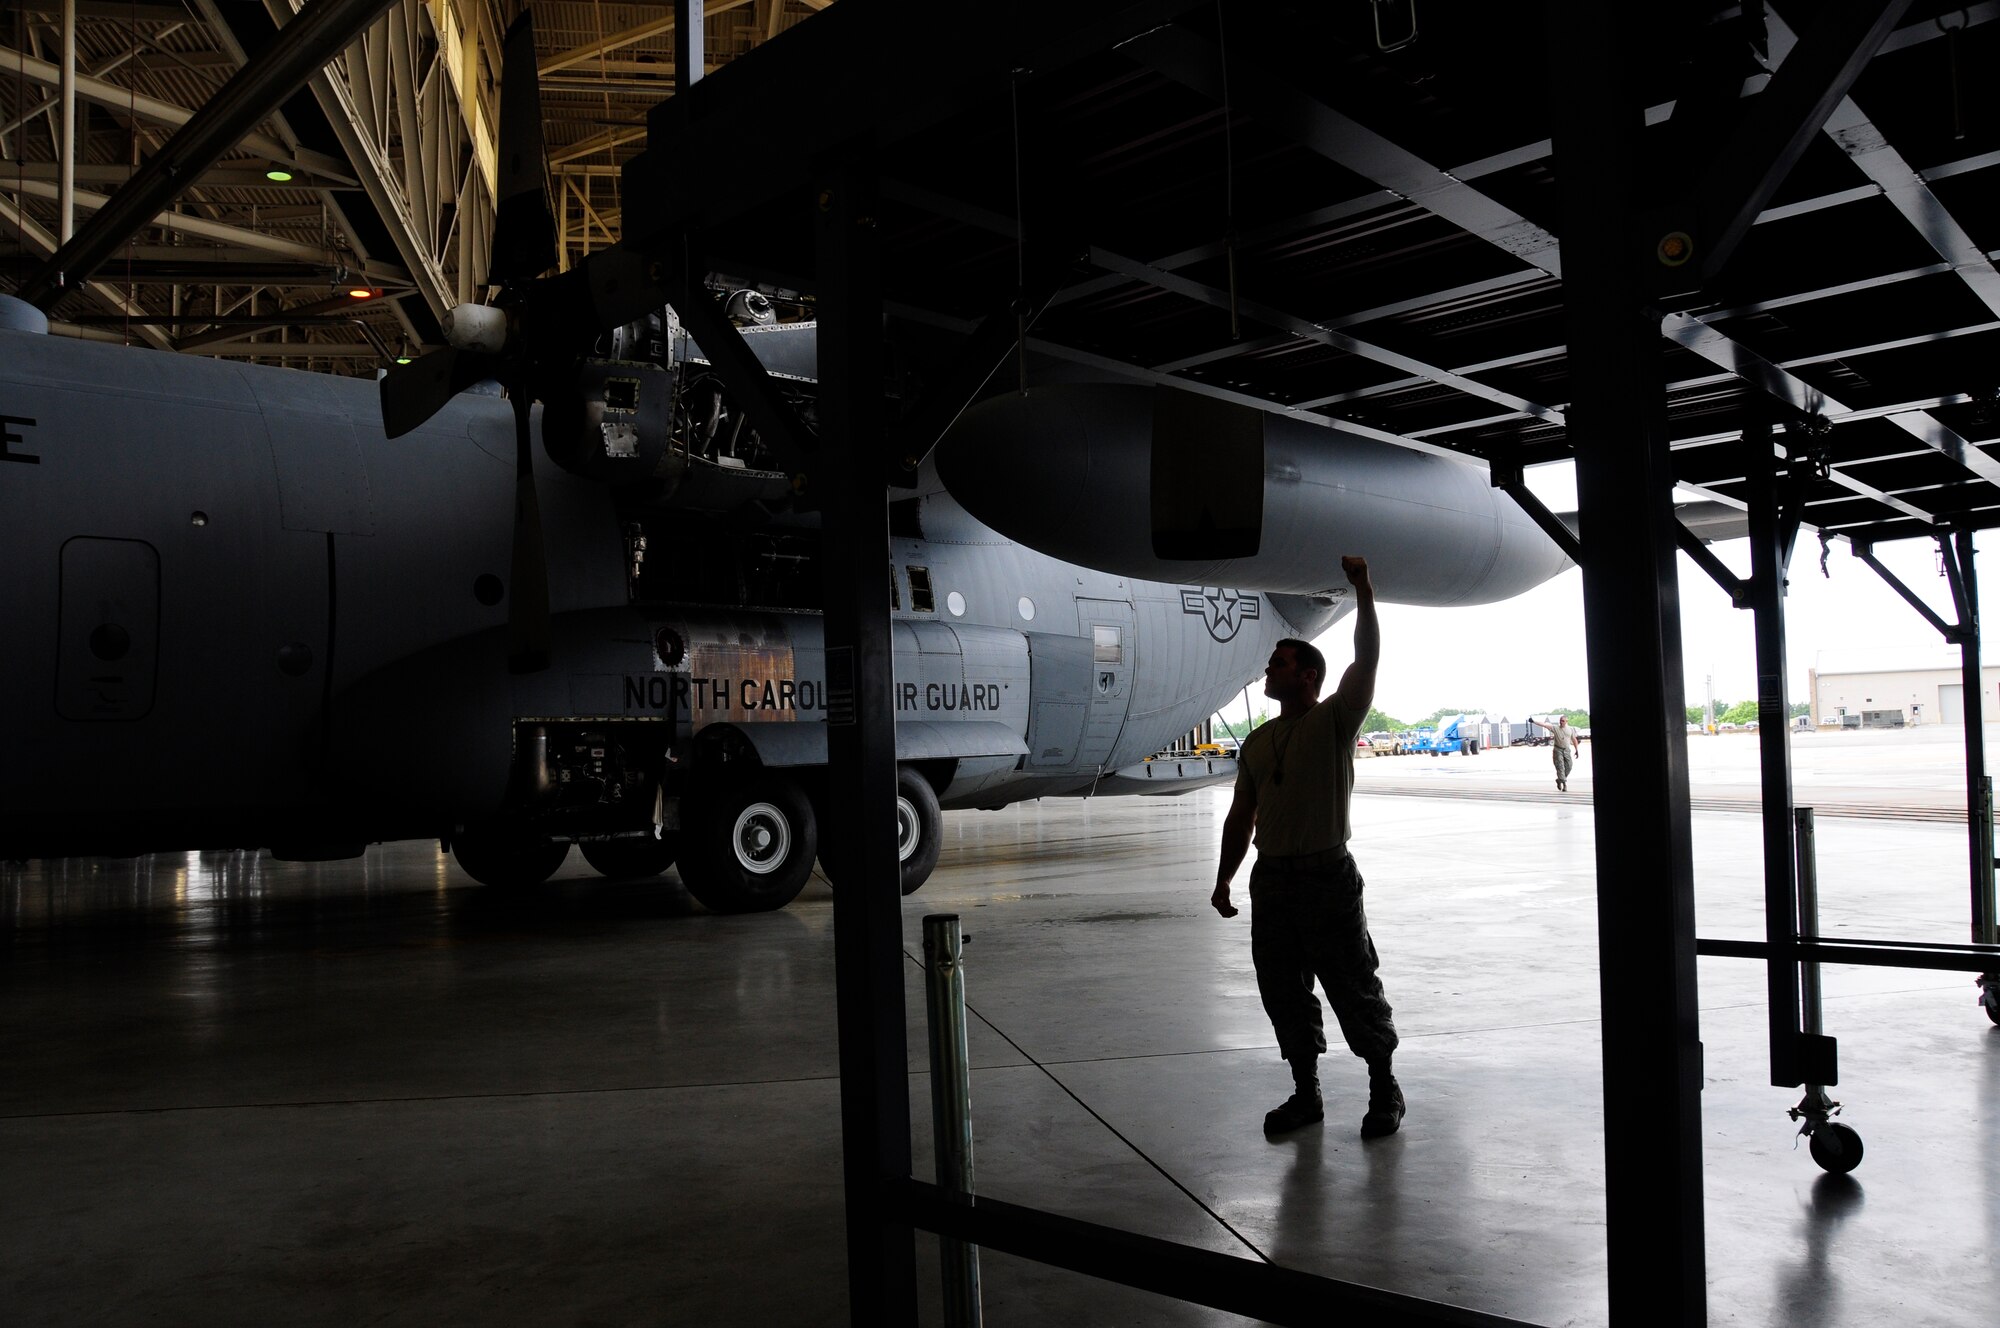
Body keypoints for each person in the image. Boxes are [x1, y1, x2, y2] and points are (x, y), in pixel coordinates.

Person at [1211, 556, 1403, 1139]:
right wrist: (1223, 879)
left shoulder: (1336, 720)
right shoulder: (1260, 740)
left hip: (1327, 880)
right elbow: (1242, 814)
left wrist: (1364, 592)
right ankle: (1306, 1094)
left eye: (1280, 662)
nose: (1269, 669)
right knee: (1282, 992)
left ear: (1309, 677)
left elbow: (1365, 658)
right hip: (1273, 883)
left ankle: (1383, 1087)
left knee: (1353, 985)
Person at [1530, 715, 1578, 791]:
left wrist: (1577, 750)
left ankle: (1559, 780)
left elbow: (1574, 739)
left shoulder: (1570, 729)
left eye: (1563, 721)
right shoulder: (1555, 728)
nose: (1561, 722)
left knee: (1569, 766)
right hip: (1558, 750)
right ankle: (1564, 784)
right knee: (1560, 767)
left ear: (1566, 721)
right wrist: (1533, 721)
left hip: (1567, 750)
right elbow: (1544, 724)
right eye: (1560, 720)